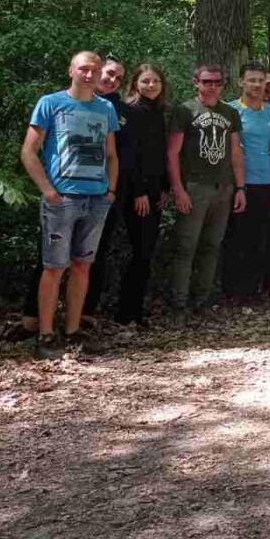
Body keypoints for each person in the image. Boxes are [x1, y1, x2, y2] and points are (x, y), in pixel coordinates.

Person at [19, 51, 121, 357]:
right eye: (83, 69)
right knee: (53, 267)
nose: (89, 75)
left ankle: (73, 331)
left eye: (95, 70)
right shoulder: (50, 103)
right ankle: (47, 335)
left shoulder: (105, 108)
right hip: (62, 200)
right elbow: (28, 151)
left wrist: (111, 190)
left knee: (82, 267)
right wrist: (48, 191)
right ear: (71, 70)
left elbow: (112, 154)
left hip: (97, 199)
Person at [165, 64, 245, 317]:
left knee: (212, 245)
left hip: (223, 187)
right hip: (195, 186)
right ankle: (178, 302)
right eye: (207, 81)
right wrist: (178, 189)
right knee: (186, 246)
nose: (212, 86)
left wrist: (240, 187)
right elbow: (172, 153)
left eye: (217, 82)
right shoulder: (185, 110)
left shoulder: (230, 113)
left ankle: (201, 300)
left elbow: (235, 152)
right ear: (196, 82)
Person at [221, 62, 270, 302]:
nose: (257, 85)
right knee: (237, 238)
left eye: (261, 81)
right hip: (238, 184)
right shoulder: (228, 111)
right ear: (241, 82)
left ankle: (258, 289)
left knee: (263, 239)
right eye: (252, 80)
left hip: (266, 183)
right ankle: (233, 290)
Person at [113, 63, 169, 328]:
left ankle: (135, 309)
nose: (151, 86)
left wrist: (165, 187)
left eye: (155, 81)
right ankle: (126, 312)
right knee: (140, 251)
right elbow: (131, 156)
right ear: (135, 84)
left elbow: (161, 155)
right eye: (145, 81)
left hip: (156, 191)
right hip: (137, 193)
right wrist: (140, 192)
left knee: (145, 251)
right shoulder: (131, 112)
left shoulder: (159, 113)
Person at [83, 56, 130, 317]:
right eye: (109, 74)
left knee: (96, 252)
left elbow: (126, 154)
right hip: (69, 189)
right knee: (53, 258)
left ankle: (85, 313)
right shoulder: (69, 101)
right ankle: (34, 320)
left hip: (108, 191)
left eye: (119, 78)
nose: (112, 80)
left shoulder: (122, 111)